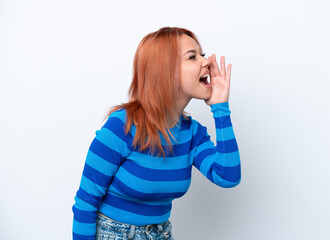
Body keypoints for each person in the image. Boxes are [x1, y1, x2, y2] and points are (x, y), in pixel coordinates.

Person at [72, 26, 241, 240]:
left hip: (160, 234)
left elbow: (227, 176)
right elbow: (85, 203)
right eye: (192, 57)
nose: (206, 61)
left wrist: (221, 108)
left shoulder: (192, 134)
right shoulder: (122, 127)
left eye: (202, 55)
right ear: (165, 70)